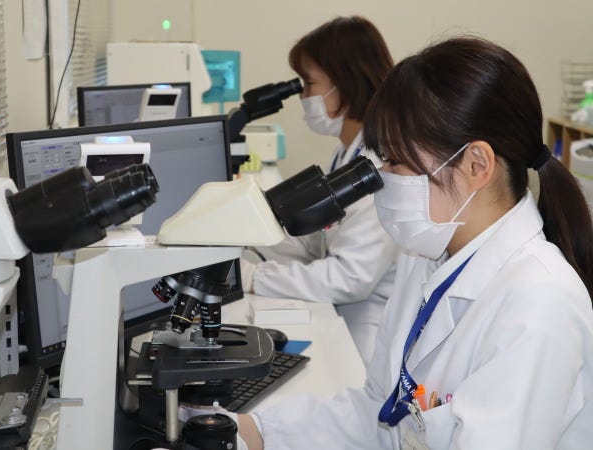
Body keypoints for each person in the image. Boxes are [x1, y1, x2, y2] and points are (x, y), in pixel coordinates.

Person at [235, 36, 593, 449]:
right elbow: (381, 413)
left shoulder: (539, 304)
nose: (382, 177)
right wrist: (250, 432)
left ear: (476, 164)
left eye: (395, 160)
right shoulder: (427, 257)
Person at [242, 16, 399, 364]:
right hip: (342, 316)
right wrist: (249, 235)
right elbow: (318, 241)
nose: (303, 95)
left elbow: (349, 277)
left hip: (366, 334)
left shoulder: (380, 165)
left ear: (345, 83)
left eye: (309, 83)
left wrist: (255, 277)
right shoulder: (348, 153)